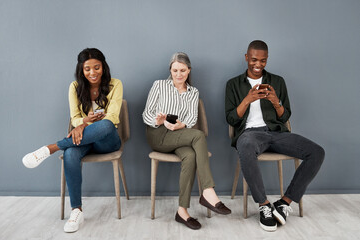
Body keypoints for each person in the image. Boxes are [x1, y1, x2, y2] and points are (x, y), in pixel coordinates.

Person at [225, 40, 325, 232]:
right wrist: (247, 100)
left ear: (267, 59)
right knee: (244, 145)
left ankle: (284, 203)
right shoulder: (233, 84)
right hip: (250, 135)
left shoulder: (277, 81)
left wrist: (275, 102)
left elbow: (285, 116)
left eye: (263, 61)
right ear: (246, 58)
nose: (258, 64)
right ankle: (264, 206)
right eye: (254, 59)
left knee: (317, 152)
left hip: (276, 133)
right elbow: (230, 118)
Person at [22, 48, 123, 233]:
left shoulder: (115, 84)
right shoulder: (75, 87)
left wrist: (83, 126)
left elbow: (113, 116)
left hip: (107, 141)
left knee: (106, 125)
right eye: (87, 69)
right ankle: (76, 210)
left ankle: (52, 147)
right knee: (70, 154)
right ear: (81, 70)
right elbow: (74, 117)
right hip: (84, 140)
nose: (92, 72)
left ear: (103, 66)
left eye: (97, 67)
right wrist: (83, 123)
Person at [143, 52, 231, 230]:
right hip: (158, 134)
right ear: (170, 70)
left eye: (182, 70)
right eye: (175, 70)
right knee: (198, 135)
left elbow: (191, 117)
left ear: (189, 70)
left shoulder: (193, 92)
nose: (178, 74)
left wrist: (181, 125)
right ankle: (208, 191)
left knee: (190, 156)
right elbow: (146, 113)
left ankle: (182, 212)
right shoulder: (159, 85)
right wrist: (158, 120)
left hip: (178, 133)